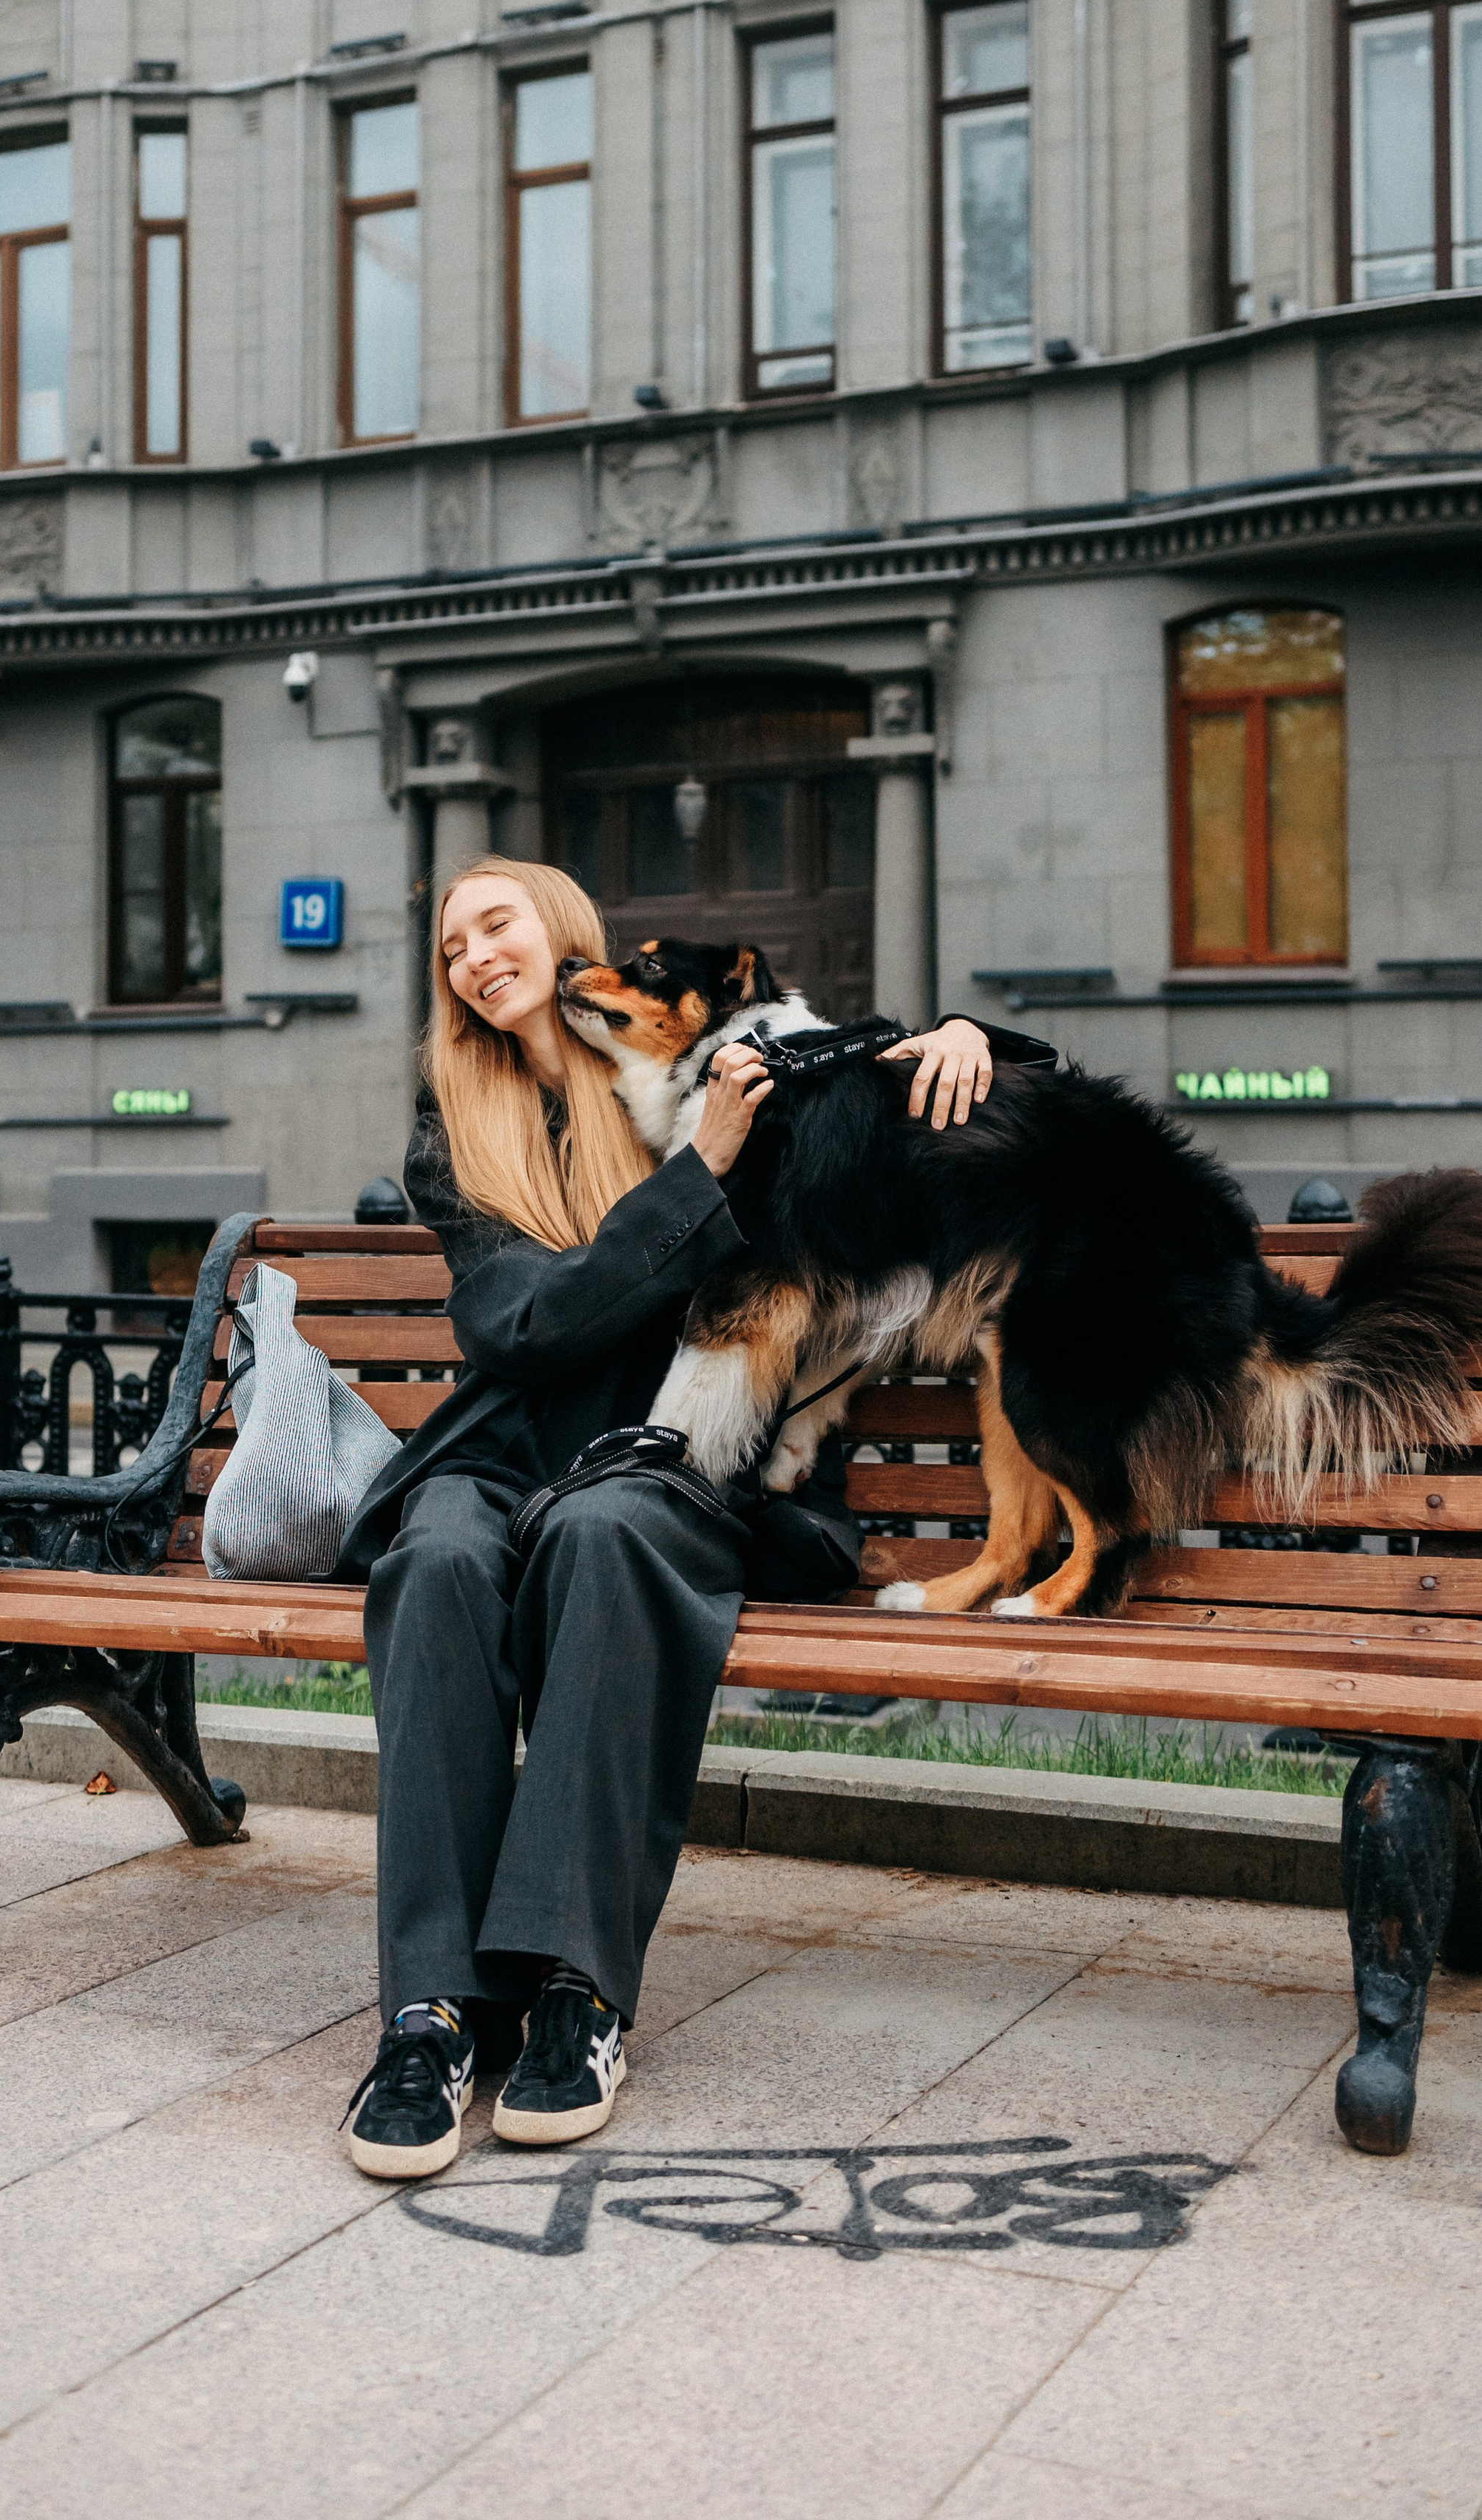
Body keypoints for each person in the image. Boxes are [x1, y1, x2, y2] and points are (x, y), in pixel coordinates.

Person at [336, 857, 1054, 2180]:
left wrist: (969, 1036)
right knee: (435, 1554)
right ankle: (428, 2011)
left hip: (672, 1472)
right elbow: (520, 1325)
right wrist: (699, 1176)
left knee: (606, 1535)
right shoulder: (458, 1134)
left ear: (564, 929)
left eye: (496, 923)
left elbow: (873, 1072)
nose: (475, 956)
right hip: (503, 1457)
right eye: (451, 946)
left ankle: (573, 1988)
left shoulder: (706, 1067)